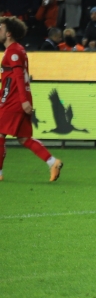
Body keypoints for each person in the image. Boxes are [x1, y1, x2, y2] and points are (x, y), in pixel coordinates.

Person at [0, 16, 62, 182]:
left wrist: (23, 100)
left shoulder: (13, 51)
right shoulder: (18, 49)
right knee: (24, 138)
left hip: (14, 100)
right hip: (19, 98)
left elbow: (19, 77)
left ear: (8, 33)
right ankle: (52, 162)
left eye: (1, 28)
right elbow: (14, 76)